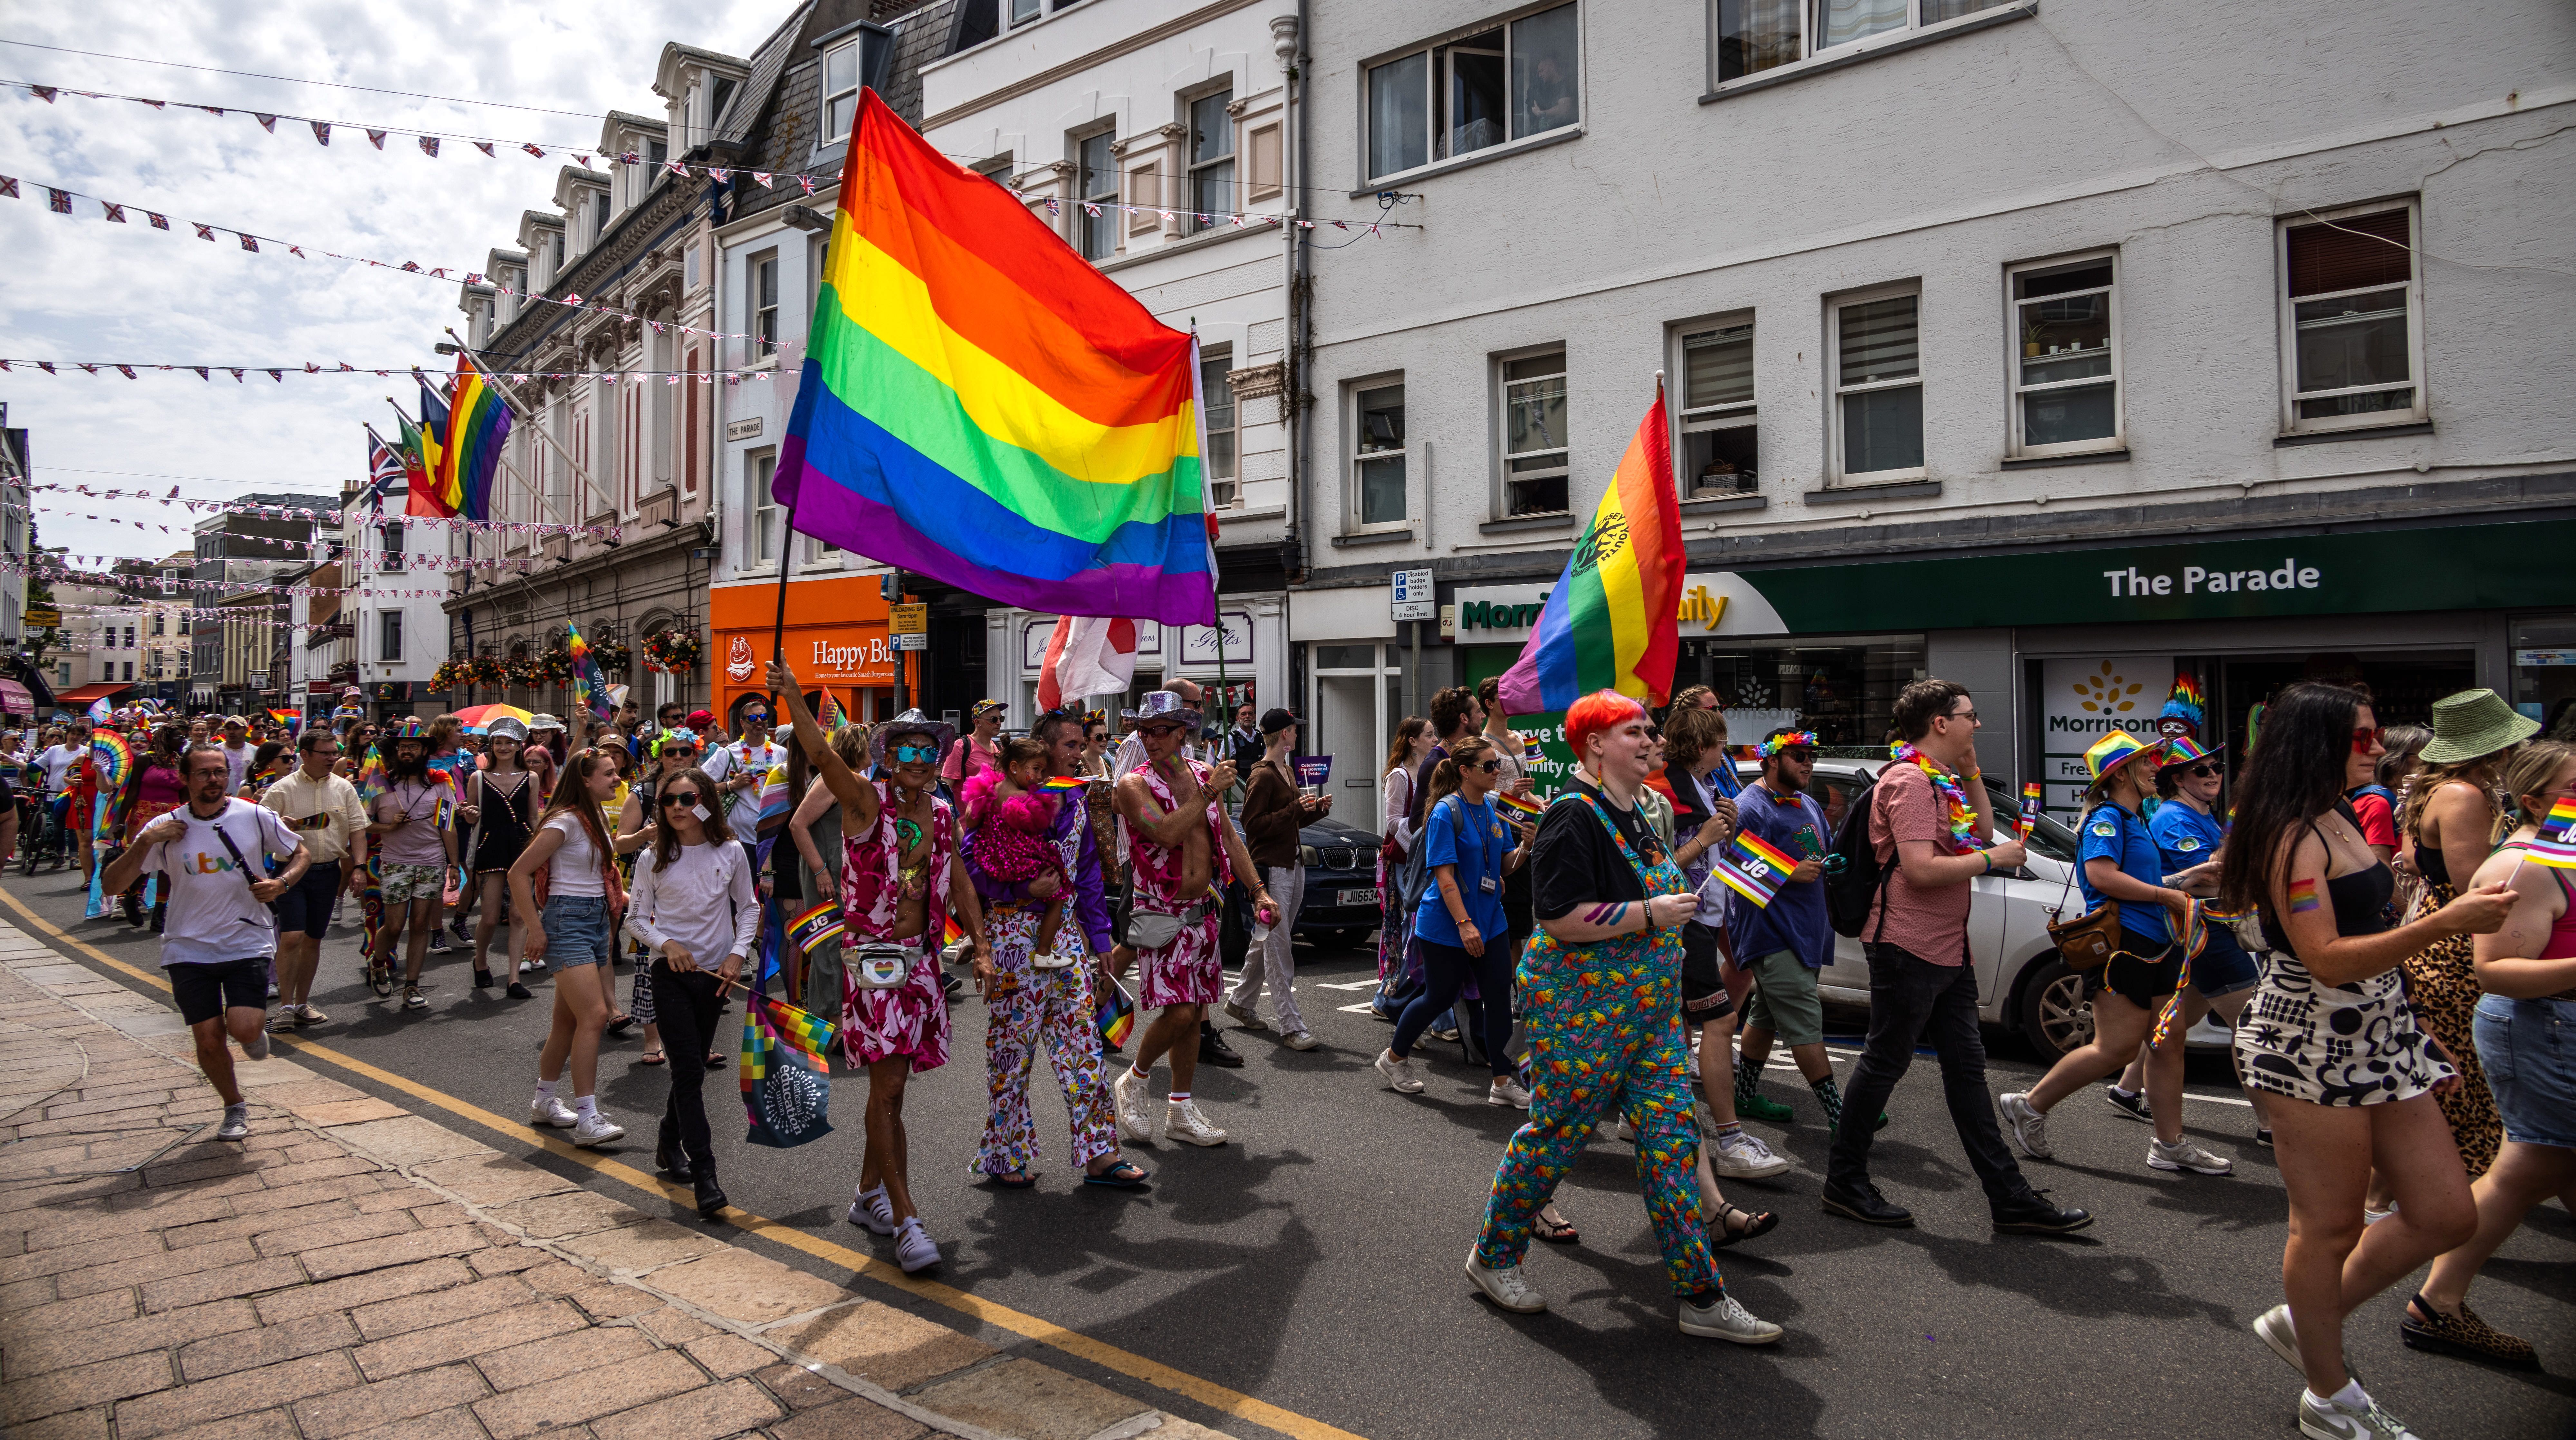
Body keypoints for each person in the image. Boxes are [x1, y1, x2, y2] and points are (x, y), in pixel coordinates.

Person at [2221, 682, 2506, 1440]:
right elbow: (2324, 957)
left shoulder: (2339, 811)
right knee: (2329, 1226)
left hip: (2380, 1035)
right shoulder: (2290, 835)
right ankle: (2329, 1396)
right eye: (2361, 736)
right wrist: (2447, 921)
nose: (2377, 746)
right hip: (2306, 1044)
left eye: (2375, 733)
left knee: (2447, 1211)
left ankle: (2305, 1317)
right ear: (2315, 742)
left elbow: (2373, 925)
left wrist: (2413, 1027)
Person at [1461, 691, 1780, 1344]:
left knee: (1673, 1143)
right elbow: (1557, 916)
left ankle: (1701, 1296)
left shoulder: (1638, 812)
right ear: (1595, 744)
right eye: (1634, 731)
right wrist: (1650, 914)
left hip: (1649, 1016)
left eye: (1649, 730)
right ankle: (1492, 1256)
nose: (1650, 740)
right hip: (1582, 1015)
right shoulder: (1571, 815)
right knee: (1554, 1138)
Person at [1823, 679, 2090, 1234]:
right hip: (1906, 946)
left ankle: (2009, 1197)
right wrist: (1993, 860)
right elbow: (1922, 869)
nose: (1978, 723)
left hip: (1947, 947)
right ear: (1940, 723)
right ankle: (1845, 1181)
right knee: (1884, 1063)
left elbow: (1982, 832)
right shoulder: (1910, 782)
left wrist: (1970, 773)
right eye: (1970, 715)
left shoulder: (1939, 779)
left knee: (1967, 1072)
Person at [770, 662, 988, 1273]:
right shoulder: (865, 801)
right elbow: (822, 754)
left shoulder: (940, 812)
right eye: (906, 749)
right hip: (872, 963)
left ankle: (868, 1195)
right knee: (888, 1088)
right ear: (887, 757)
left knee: (893, 1088)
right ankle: (906, 1219)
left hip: (922, 964)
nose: (918, 759)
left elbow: (959, 878)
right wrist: (795, 698)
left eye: (927, 749)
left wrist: (982, 944)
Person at [2402, 740, 2576, 1368]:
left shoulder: (2560, 848)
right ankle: (2426, 1297)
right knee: (2522, 1161)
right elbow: (2494, 969)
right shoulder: (2522, 863)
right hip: (2536, 1024)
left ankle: (2435, 1300)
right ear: (2535, 800)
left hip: (2548, 1022)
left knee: (2539, 1162)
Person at [1999, 732, 2237, 1177]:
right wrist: (2166, 896)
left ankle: (2170, 1145)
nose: (2155, 768)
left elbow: (2143, 881)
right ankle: (2029, 1105)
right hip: (2124, 946)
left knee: (2168, 1042)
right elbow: (2101, 876)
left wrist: (2186, 878)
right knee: (2116, 1048)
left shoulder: (2135, 818)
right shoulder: (2107, 819)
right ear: (2122, 774)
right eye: (2146, 762)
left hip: (2157, 944)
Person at [961, 707, 1145, 1190]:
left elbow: (1088, 875)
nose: (1079, 753)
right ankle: (1004, 1154)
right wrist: (1019, 889)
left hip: (1064, 938)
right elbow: (968, 863)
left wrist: (1101, 939)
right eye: (1070, 745)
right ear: (1043, 748)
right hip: (1011, 937)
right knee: (1012, 1053)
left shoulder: (1077, 797)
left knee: (1084, 1046)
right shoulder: (1004, 796)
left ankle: (1101, 1154)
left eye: (1081, 745)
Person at [102, 743, 308, 1142]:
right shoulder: (165, 827)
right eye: (203, 773)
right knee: (208, 1038)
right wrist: (145, 842)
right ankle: (234, 1106)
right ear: (185, 778)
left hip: (246, 938)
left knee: (244, 1028)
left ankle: (251, 1035)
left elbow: (300, 852)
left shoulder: (254, 815)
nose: (214, 780)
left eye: (220, 772)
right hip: (187, 945)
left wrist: (281, 883)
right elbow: (112, 885)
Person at [1107, 688, 1274, 1148]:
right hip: (1163, 915)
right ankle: (1134, 1079)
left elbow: (1231, 841)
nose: (1150, 738)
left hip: (1204, 913)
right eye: (1144, 730)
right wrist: (1210, 790)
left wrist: (1258, 890)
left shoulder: (1203, 774)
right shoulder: (1134, 785)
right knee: (1180, 1011)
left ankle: (1180, 1108)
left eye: (1160, 730)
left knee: (1196, 1012)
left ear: (1182, 732)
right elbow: (1165, 832)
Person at [2104, 737, 2272, 1138]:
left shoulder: (2201, 814)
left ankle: (2126, 1090)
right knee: (2249, 1024)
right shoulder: (2172, 818)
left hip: (2206, 929)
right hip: (2205, 932)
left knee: (2178, 1020)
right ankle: (2270, 1125)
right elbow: (2211, 879)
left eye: (2216, 767)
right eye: (2201, 770)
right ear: (2178, 780)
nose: (2213, 775)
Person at [2395, 687, 2530, 1184]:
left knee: (2455, 1080)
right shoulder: (2463, 795)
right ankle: (2450, 1195)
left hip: (2443, 940)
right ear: (2495, 747)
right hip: (2458, 950)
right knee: (2465, 1083)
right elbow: (2475, 884)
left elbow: (2414, 861)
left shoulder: (2444, 789)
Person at [623, 764, 756, 1219]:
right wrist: (667, 944)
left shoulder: (731, 851)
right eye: (668, 800)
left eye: (686, 798)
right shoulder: (652, 857)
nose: (677, 807)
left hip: (716, 975)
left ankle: (667, 1140)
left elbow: (749, 907)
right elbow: (634, 919)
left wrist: (737, 954)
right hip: (671, 975)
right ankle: (706, 1174)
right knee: (687, 1072)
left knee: (692, 1067)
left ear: (705, 802)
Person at [1376, 733, 1528, 1102]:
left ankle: (1502, 1083)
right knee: (1439, 997)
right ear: (1465, 771)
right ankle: (1393, 1058)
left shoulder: (1490, 808)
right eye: (1489, 765)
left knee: (1498, 997)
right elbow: (1444, 877)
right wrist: (1464, 924)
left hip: (1491, 920)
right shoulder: (1446, 812)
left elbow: (1505, 866)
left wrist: (1526, 846)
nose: (1497, 771)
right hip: (1447, 924)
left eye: (1497, 764)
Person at [1730, 728, 1860, 1155]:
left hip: (1807, 930)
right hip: (1772, 933)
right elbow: (1733, 867)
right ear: (1772, 759)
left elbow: (1821, 851)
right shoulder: (1750, 806)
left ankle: (1745, 1095)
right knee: (1805, 1022)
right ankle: (1843, 1115)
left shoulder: (1807, 803)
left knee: (1765, 1014)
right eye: (1799, 755)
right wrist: (1787, 871)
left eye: (1811, 754)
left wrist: (1834, 863)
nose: (1808, 762)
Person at [510, 747, 631, 1147]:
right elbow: (518, 873)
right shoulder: (565, 821)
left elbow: (598, 874)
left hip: (594, 919)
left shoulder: (594, 815)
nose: (617, 778)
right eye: (609, 773)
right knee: (595, 1017)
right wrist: (535, 929)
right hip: (567, 921)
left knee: (567, 1022)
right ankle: (587, 1118)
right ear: (586, 779)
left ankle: (544, 1101)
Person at [1225, 709, 1328, 1049]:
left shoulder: (1287, 771)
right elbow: (1253, 825)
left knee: (1268, 938)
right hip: (1273, 869)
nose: (1297, 734)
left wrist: (1316, 810)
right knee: (1279, 945)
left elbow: (1289, 822)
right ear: (1284, 734)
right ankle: (1291, 1025)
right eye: (1294, 730)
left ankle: (1240, 1001)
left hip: (1292, 864)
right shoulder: (1262, 775)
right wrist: (1296, 809)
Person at [259, 728, 367, 1030]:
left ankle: (301, 1004)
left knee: (313, 939)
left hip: (329, 871)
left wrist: (359, 867)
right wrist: (279, 827)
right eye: (326, 753)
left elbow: (358, 830)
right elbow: (258, 834)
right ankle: (285, 1007)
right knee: (292, 936)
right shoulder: (281, 790)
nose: (333, 758)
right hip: (290, 872)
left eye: (335, 753)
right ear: (305, 755)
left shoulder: (344, 788)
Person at [365, 721, 459, 1012]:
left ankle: (412, 985)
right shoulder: (379, 784)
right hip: (395, 863)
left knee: (420, 925)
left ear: (424, 751)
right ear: (395, 752)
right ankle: (378, 964)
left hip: (432, 862)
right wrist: (388, 827)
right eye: (402, 747)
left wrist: (454, 864)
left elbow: (448, 825)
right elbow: (362, 823)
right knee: (394, 926)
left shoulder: (440, 783)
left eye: (413, 747)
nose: (407, 751)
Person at [962, 738, 1073, 968]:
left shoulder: (991, 790)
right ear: (1014, 767)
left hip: (988, 855)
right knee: (1060, 893)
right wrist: (1045, 791)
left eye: (1042, 771)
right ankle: (1044, 952)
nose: (1040, 776)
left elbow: (971, 820)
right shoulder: (1023, 798)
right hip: (1016, 858)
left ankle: (969, 935)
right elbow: (1041, 824)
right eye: (1036, 769)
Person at [459, 717, 539, 997]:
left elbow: (533, 816)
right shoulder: (478, 778)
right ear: (491, 746)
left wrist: (542, 848)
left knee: (518, 915)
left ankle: (514, 978)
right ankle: (480, 960)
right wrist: (470, 815)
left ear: (519, 746)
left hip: (522, 847)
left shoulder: (531, 777)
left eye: (509, 743)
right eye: (498, 743)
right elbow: (472, 816)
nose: (503, 747)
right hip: (490, 845)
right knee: (491, 917)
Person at [1373, 717, 1435, 1015]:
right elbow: (1393, 822)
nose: (1435, 740)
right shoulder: (1400, 776)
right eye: (1429, 735)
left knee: (1413, 925)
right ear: (1412, 741)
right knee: (1410, 923)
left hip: (1424, 856)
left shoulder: (1430, 772)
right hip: (1406, 859)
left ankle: (1389, 995)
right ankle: (1390, 997)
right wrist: (1419, 847)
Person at [706, 701, 786, 836]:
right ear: (743, 723)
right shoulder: (728, 753)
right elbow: (701, 787)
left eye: (764, 717)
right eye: (753, 718)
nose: (759, 721)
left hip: (773, 834)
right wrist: (731, 785)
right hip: (739, 836)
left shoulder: (782, 753)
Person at [944, 699, 1006, 793]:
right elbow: (946, 786)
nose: (999, 723)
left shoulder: (999, 748)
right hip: (966, 803)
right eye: (994, 719)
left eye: (1001, 719)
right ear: (978, 723)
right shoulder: (961, 746)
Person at [218, 715, 254, 793]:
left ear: (246, 730)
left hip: (248, 798)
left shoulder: (256, 752)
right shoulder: (215, 751)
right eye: (228, 729)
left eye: (236, 728)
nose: (232, 732)